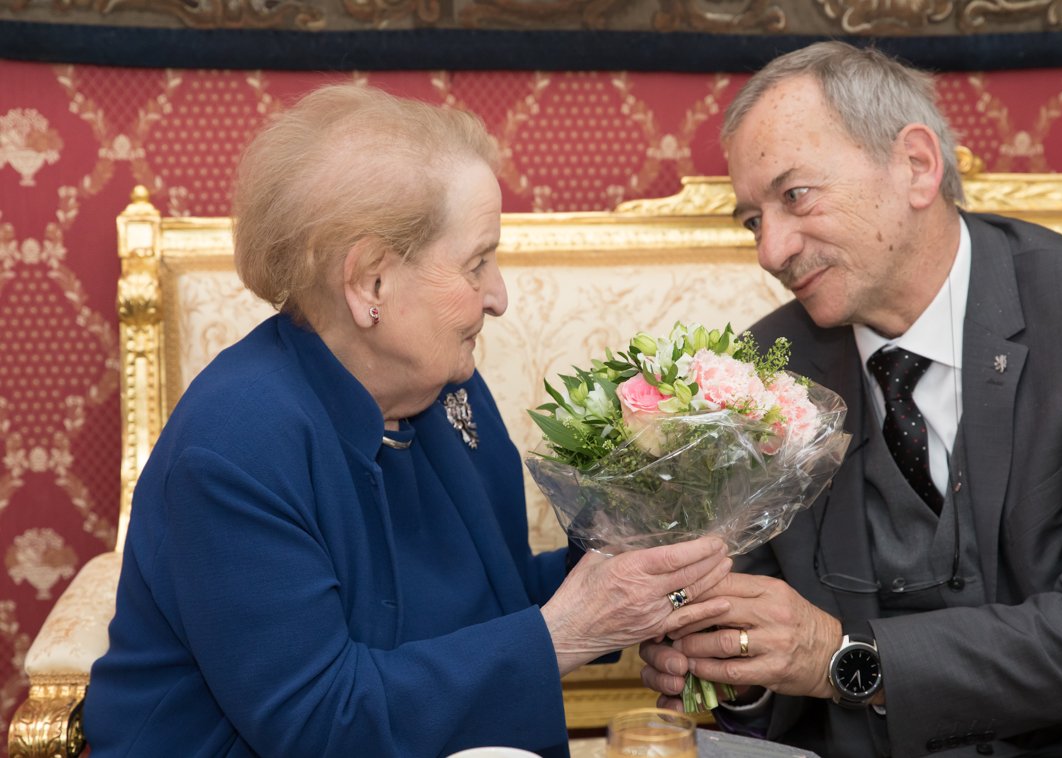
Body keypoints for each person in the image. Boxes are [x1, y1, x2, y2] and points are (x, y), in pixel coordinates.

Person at [640, 41, 1062, 756]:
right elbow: (764, 661)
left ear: (917, 166)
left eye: (795, 196)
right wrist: (736, 669)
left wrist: (838, 656)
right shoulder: (757, 374)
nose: (771, 251)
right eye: (752, 219)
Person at [84, 84, 732, 758]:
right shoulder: (236, 445)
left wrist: (633, 548)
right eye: (477, 262)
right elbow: (319, 720)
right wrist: (570, 630)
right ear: (369, 282)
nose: (500, 296)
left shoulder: (445, 391)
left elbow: (494, 600)